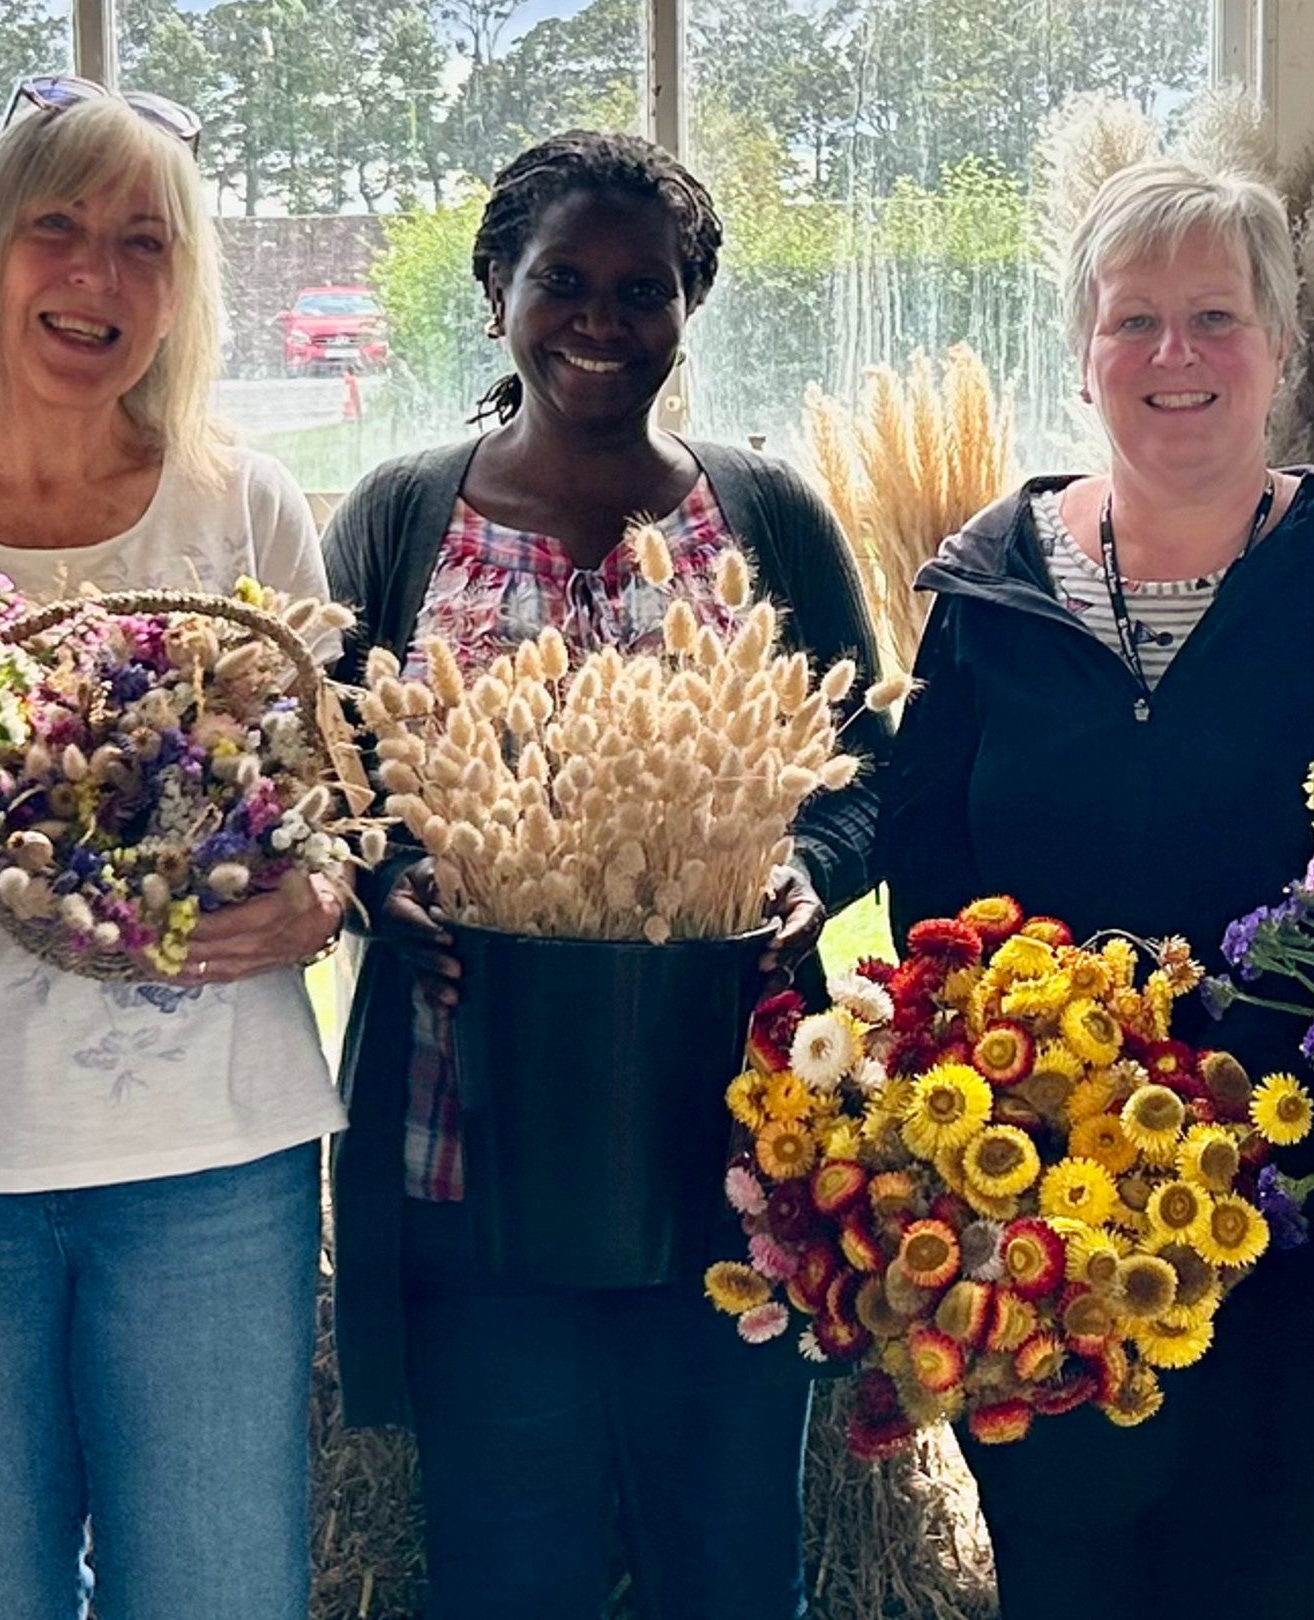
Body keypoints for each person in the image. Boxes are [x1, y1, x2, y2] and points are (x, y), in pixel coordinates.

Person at [878, 158, 1314, 1616]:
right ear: (1082, 348)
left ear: (1282, 345)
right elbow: (927, 873)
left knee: (1257, 1566)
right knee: (1064, 1563)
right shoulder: (992, 586)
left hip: (1288, 1195)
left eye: (1214, 317)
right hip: (1034, 1192)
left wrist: (1236, 1071)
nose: (1174, 356)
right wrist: (1042, 1064)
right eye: (1133, 319)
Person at [323, 129, 885, 1620]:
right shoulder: (399, 519)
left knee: (727, 1562)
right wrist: (386, 881)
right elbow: (322, 773)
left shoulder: (763, 517)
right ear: (498, 287)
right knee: (511, 1566)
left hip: (735, 1154)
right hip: (469, 1149)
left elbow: (865, 757)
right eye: (563, 280)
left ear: (687, 311)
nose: (600, 320)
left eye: (644, 290)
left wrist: (802, 875)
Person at [0, 81, 344, 1620]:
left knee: (221, 1591)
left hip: (212, 1159)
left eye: (145, 241)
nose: (97, 276)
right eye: (56, 227)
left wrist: (314, 900)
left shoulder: (240, 504)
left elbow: (329, 806)